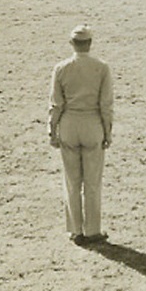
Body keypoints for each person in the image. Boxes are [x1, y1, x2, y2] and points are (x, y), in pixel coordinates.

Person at [48, 24, 114, 245]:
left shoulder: (61, 68)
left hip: (69, 125)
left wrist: (52, 130)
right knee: (92, 181)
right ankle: (92, 230)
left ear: (72, 44)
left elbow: (56, 103)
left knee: (72, 181)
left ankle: (76, 230)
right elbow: (106, 104)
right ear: (90, 44)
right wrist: (107, 131)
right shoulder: (101, 68)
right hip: (92, 124)